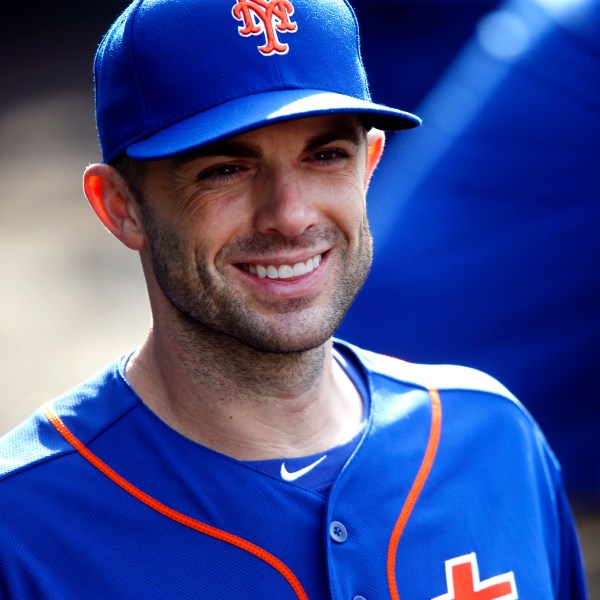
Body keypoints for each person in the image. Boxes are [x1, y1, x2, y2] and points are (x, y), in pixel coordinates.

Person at [0, 0, 588, 598]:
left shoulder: (492, 437)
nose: (290, 214)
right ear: (119, 207)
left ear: (369, 166)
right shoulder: (22, 528)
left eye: (326, 156)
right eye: (224, 169)